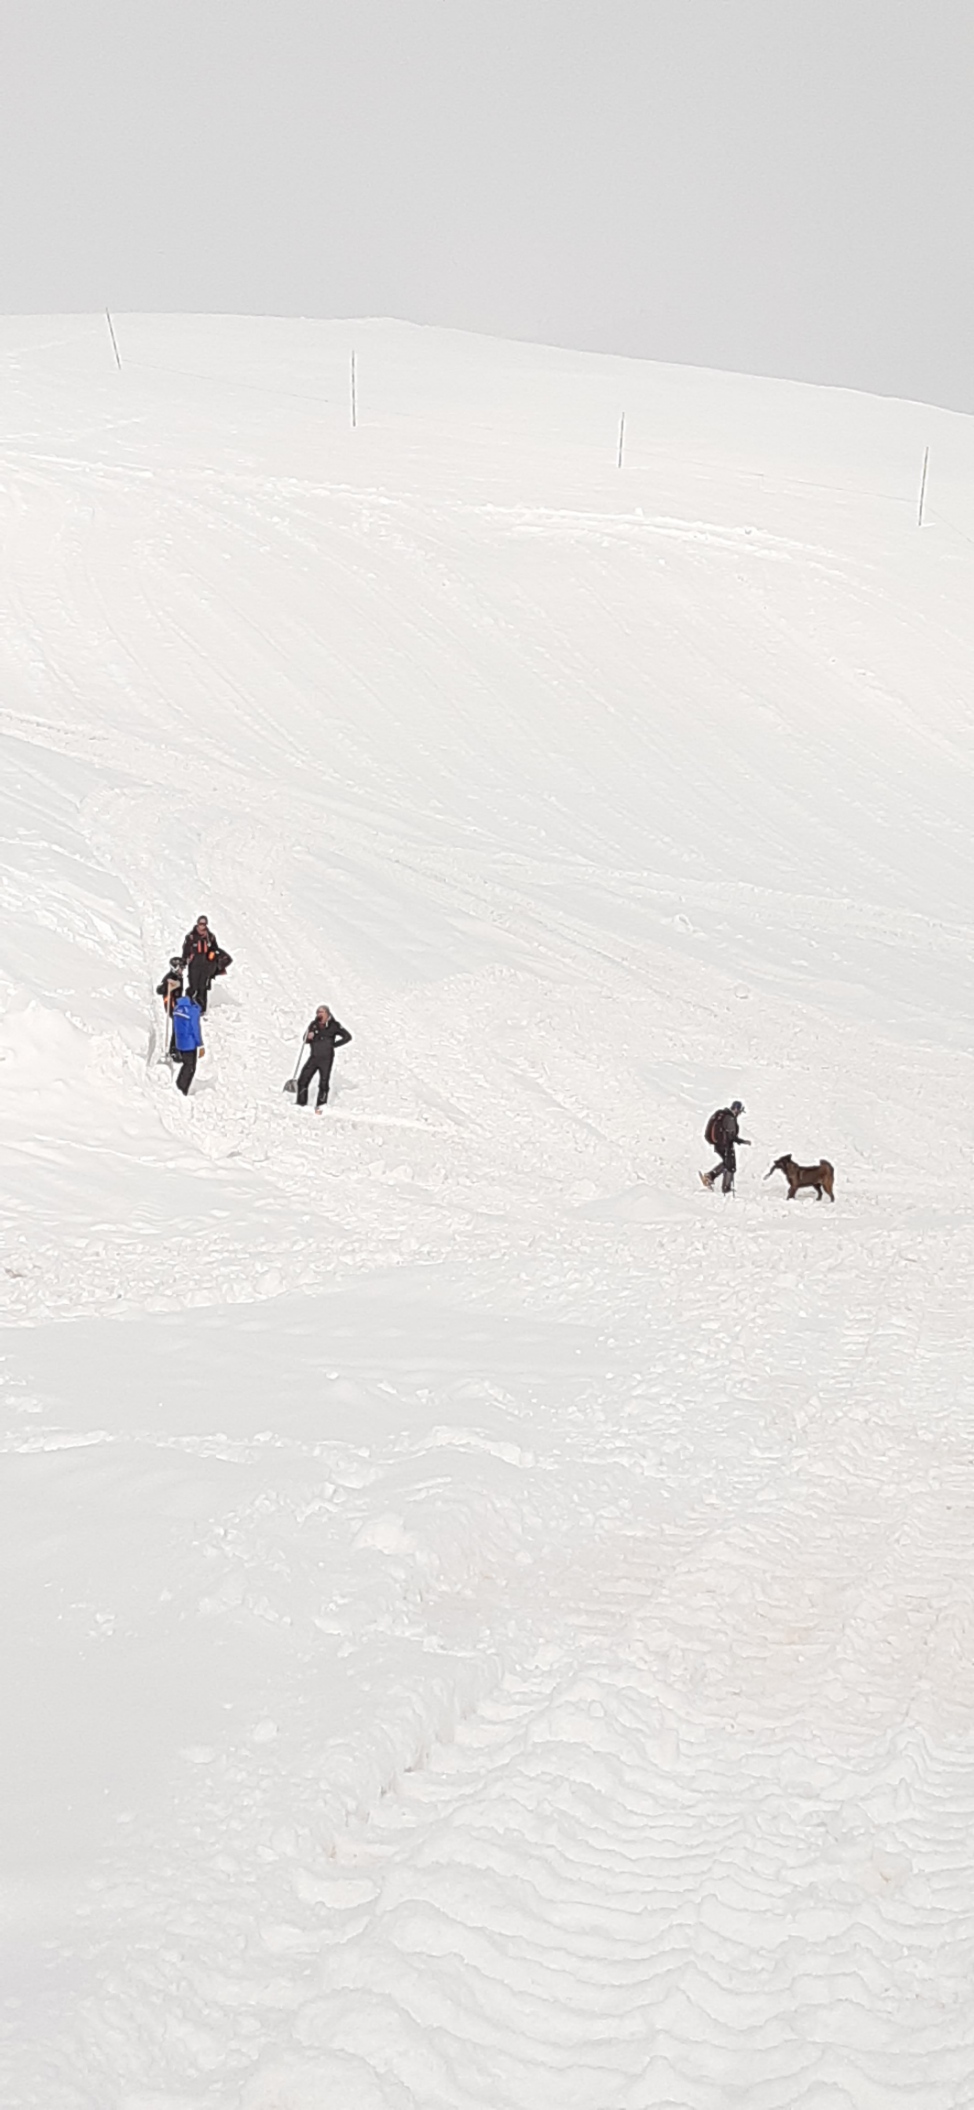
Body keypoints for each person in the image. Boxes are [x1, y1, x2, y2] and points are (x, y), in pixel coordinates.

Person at [295, 1005, 351, 1112]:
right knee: (303, 1079)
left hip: (326, 1058)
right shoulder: (313, 1024)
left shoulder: (334, 1025)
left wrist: (334, 1045)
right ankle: (301, 1104)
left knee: (323, 1082)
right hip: (314, 1057)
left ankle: (321, 1105)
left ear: (327, 1014)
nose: (319, 1014)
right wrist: (308, 1037)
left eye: (322, 1012)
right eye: (318, 1012)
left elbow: (347, 1037)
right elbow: (305, 1040)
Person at [701, 1100, 750, 1194]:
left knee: (727, 1163)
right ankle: (726, 1188)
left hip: (718, 1144)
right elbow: (731, 1135)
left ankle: (710, 1176)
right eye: (739, 1111)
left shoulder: (723, 1115)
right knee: (730, 1166)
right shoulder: (730, 1118)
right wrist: (741, 1141)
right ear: (736, 1110)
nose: (739, 1114)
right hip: (725, 1145)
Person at [180, 916, 222, 1014]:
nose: (202, 926)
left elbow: (215, 950)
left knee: (203, 987)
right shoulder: (191, 937)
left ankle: (201, 1009)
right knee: (193, 986)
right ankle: (188, 1006)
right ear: (197, 924)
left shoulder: (210, 937)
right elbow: (185, 952)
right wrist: (183, 963)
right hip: (194, 966)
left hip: (206, 966)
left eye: (204, 924)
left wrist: (213, 956)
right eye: (200, 924)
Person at [171, 992, 205, 1095]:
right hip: (190, 1043)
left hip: (180, 1042)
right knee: (190, 1067)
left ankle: (180, 1087)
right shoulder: (192, 1011)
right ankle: (181, 1088)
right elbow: (195, 1028)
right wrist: (200, 1044)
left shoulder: (177, 1008)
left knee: (186, 1065)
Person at [156, 956, 184, 1058]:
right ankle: (173, 1050)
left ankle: (177, 1048)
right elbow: (159, 990)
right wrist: (166, 987)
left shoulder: (179, 978)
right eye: (180, 968)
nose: (182, 970)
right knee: (177, 1027)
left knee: (179, 1027)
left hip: (178, 1005)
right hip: (171, 1006)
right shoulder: (170, 977)